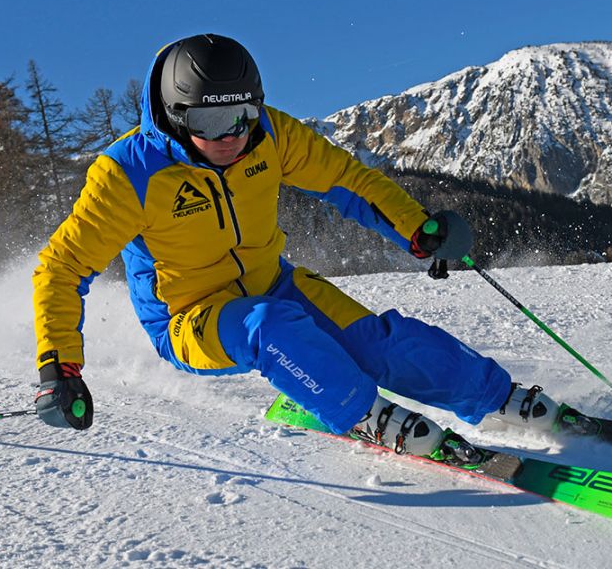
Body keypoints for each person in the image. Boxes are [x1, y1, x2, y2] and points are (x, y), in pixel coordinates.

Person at [32, 34, 559, 460]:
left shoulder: (269, 135)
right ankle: (364, 415)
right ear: (175, 115)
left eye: (242, 114)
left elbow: (348, 180)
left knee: (376, 341)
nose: (232, 135)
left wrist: (417, 230)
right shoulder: (130, 173)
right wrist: (59, 369)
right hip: (191, 318)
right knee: (270, 327)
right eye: (210, 122)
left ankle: (498, 395)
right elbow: (63, 267)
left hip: (275, 283)